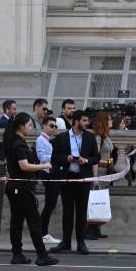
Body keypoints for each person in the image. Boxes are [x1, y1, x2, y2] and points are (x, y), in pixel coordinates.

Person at [3, 112, 58, 266]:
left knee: (17, 221)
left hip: (15, 186)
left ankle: (17, 253)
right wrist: (44, 165)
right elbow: (24, 165)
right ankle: (41, 254)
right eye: (29, 125)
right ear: (21, 126)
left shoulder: (14, 141)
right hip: (23, 187)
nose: (31, 128)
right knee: (34, 221)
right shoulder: (19, 143)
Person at [49, 109, 99, 255]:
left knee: (82, 211)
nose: (87, 123)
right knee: (67, 211)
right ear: (76, 121)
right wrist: (67, 158)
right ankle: (66, 242)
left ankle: (81, 242)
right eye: (84, 120)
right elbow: (55, 157)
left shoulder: (90, 137)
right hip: (68, 177)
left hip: (83, 178)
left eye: (87, 120)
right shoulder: (62, 138)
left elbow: (96, 157)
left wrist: (86, 160)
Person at [86, 110, 115, 241]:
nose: (111, 121)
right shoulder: (97, 137)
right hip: (99, 172)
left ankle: (96, 228)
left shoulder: (105, 135)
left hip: (105, 173)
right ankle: (89, 229)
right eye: (109, 119)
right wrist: (96, 175)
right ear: (103, 121)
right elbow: (95, 157)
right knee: (94, 200)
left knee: (100, 200)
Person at [36, 116, 59, 244]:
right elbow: (42, 157)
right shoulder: (41, 140)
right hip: (47, 173)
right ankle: (42, 232)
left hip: (51, 173)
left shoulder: (48, 140)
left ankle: (42, 231)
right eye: (51, 126)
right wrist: (55, 157)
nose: (53, 128)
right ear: (44, 126)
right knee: (50, 203)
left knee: (51, 203)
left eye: (55, 126)